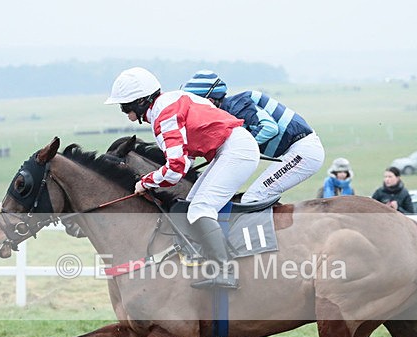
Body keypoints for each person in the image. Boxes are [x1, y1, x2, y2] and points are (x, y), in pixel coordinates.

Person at [104, 67, 260, 290]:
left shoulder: (163, 116)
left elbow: (176, 169)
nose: (125, 114)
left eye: (125, 107)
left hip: (235, 151)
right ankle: (204, 259)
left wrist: (146, 181)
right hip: (230, 148)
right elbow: (184, 162)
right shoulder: (169, 101)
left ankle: (226, 272)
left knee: (200, 209)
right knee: (190, 205)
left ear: (139, 102)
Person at [181, 70, 325, 203]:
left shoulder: (237, 104)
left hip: (303, 151)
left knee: (253, 197)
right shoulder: (223, 114)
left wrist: (242, 148)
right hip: (296, 149)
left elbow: (269, 128)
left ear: (210, 101)